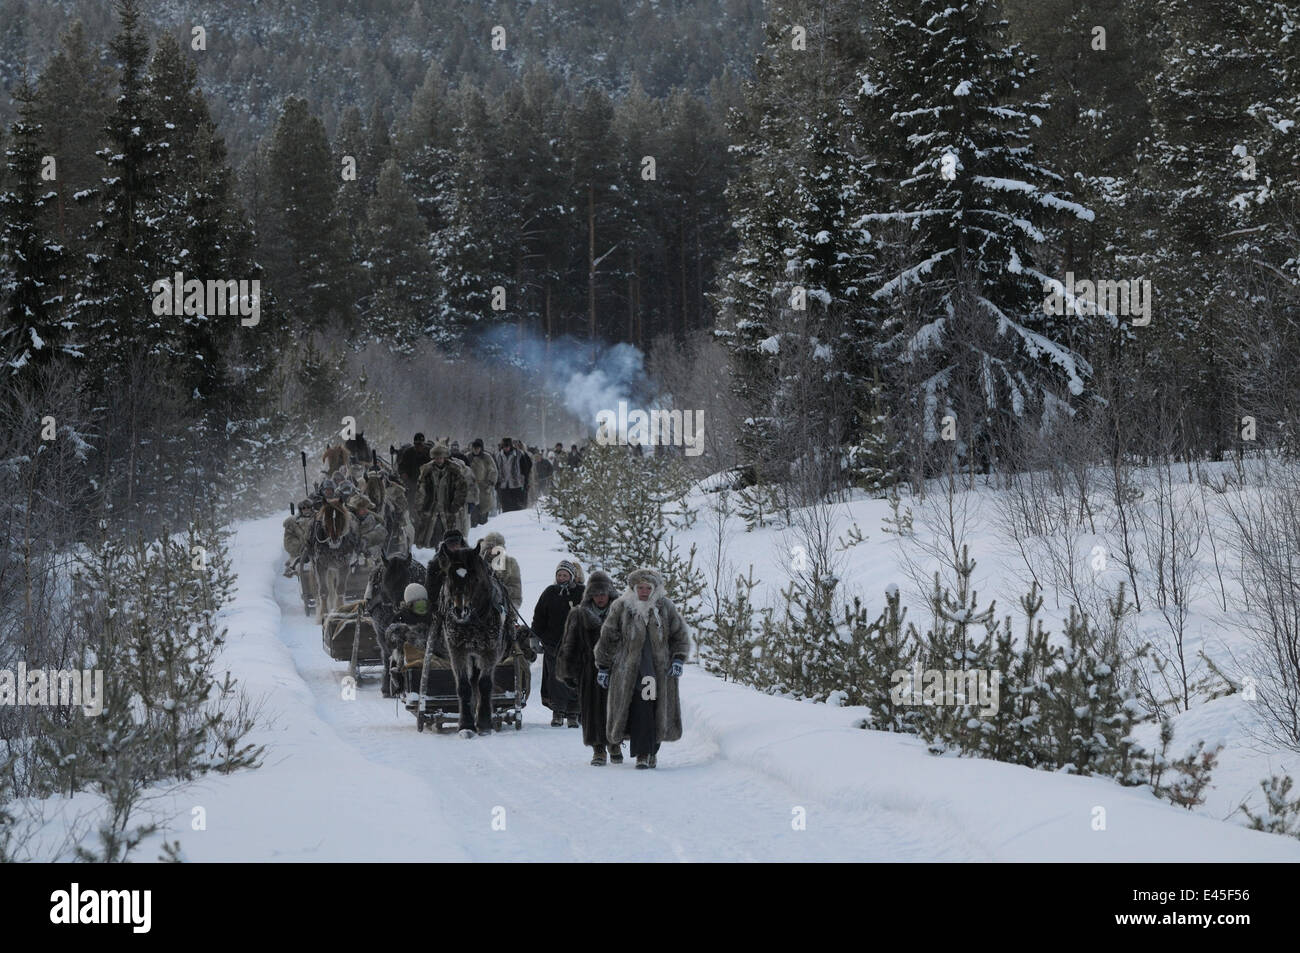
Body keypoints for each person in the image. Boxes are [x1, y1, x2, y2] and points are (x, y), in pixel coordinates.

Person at [595, 567, 690, 769]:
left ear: (655, 588)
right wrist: (603, 666)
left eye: (648, 587)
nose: (644, 591)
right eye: (641, 587)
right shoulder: (622, 607)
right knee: (641, 711)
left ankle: (651, 752)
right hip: (630, 672)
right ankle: (643, 754)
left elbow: (679, 635)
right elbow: (608, 637)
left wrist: (678, 659)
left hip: (657, 671)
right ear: (634, 588)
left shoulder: (665, 607)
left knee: (656, 712)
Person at [557, 571, 621, 765]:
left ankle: (614, 743)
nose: (600, 598)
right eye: (596, 594)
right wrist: (567, 670)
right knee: (592, 710)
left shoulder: (621, 613)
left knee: (615, 709)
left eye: (603, 594)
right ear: (590, 595)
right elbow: (569, 643)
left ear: (610, 594)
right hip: (589, 670)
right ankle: (598, 749)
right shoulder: (578, 613)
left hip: (617, 669)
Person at [531, 559, 585, 727]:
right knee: (556, 679)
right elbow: (539, 616)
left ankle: (573, 714)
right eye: (559, 574)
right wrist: (535, 638)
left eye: (565, 574)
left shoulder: (583, 592)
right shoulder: (549, 592)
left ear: (571, 576)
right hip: (553, 644)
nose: (562, 577)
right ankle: (558, 712)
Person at [415, 444, 467, 548]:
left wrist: (456, 504)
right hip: (431, 507)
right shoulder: (427, 471)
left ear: (445, 457)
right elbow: (421, 489)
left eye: (441, 457)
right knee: (432, 534)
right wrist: (420, 505)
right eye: (436, 458)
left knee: (450, 533)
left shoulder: (454, 470)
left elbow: (461, 489)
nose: (439, 460)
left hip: (449, 507)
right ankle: (433, 553)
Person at [467, 438, 498, 527]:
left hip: (484, 489)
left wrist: (490, 482)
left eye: (478, 448)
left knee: (484, 514)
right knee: (473, 513)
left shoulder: (487, 457)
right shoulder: (468, 457)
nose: (476, 450)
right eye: (474, 448)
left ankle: (483, 530)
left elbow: (493, 470)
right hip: (471, 489)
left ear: (481, 448)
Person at [348, 493, 388, 562]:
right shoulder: (349, 520)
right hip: (350, 553)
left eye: (366, 508)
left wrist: (367, 539)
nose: (365, 510)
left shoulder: (371, 519)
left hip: (368, 554)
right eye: (362, 508)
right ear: (356, 509)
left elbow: (382, 532)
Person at [496, 437, 525, 512]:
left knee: (516, 506)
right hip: (503, 484)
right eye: (504, 446)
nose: (506, 448)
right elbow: (496, 468)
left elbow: (525, 467)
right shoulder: (499, 455)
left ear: (510, 446)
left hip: (516, 483)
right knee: (506, 507)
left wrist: (524, 479)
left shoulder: (519, 454)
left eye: (507, 446)